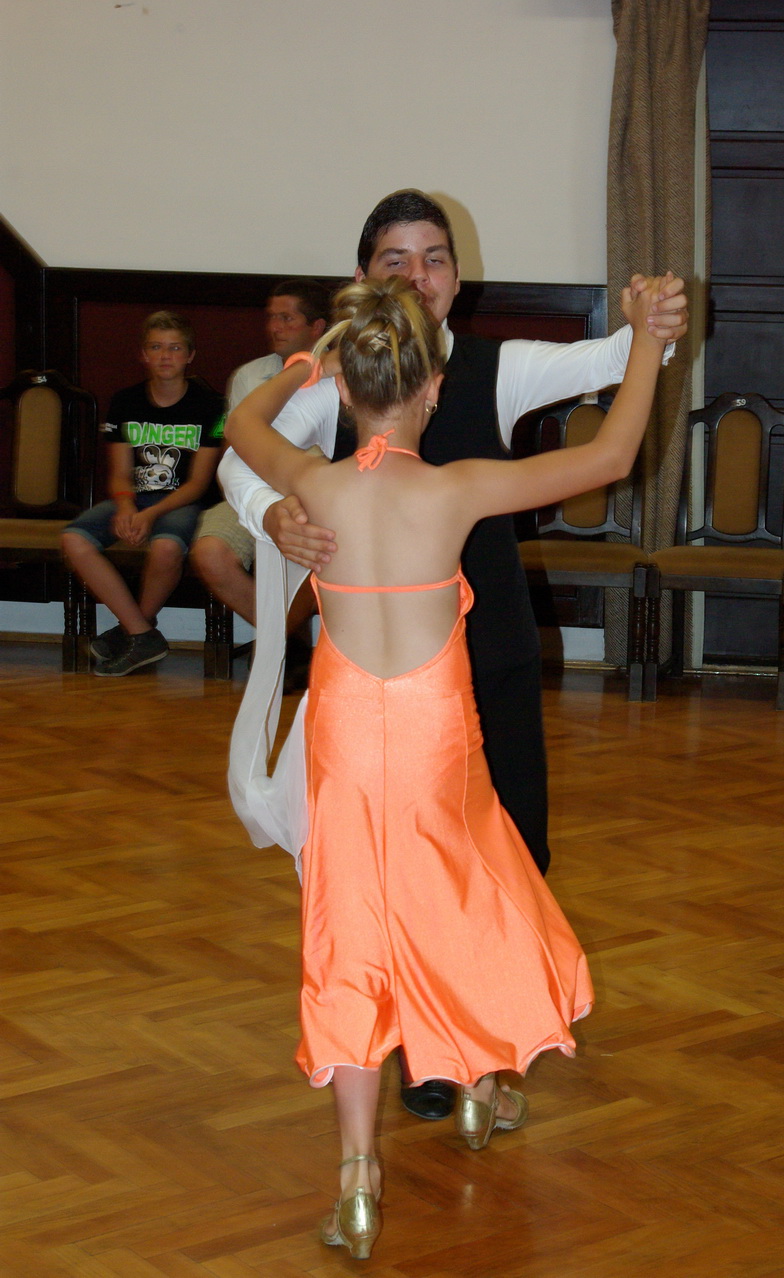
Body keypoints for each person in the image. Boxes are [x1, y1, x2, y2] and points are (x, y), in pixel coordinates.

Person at [219, 189, 688, 1120]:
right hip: (402, 696)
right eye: (395, 259)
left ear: (455, 277)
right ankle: (439, 1066)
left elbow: (599, 360)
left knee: (498, 850)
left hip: (475, 658)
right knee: (426, 867)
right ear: (364, 276)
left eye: (432, 258)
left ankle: (471, 1062)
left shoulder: (488, 367)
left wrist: (649, 330)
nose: (417, 274)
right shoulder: (371, 411)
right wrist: (270, 516)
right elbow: (241, 463)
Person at [61, 311, 225, 676]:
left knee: (166, 547)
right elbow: (119, 472)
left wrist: (149, 515)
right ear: (143, 354)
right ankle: (141, 632)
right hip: (134, 498)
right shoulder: (124, 401)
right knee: (73, 539)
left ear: (190, 355)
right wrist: (124, 506)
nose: (165, 356)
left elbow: (198, 484)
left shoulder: (214, 406)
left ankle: (131, 632)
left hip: (185, 501)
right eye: (156, 347)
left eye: (175, 348)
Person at [190, 279, 330, 626]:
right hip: (249, 486)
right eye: (271, 317)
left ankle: (278, 643)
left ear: (316, 327)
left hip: (315, 497)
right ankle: (281, 634)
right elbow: (230, 448)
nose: (274, 327)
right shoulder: (248, 375)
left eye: (286, 318)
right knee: (209, 553)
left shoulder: (339, 374)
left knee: (314, 550)